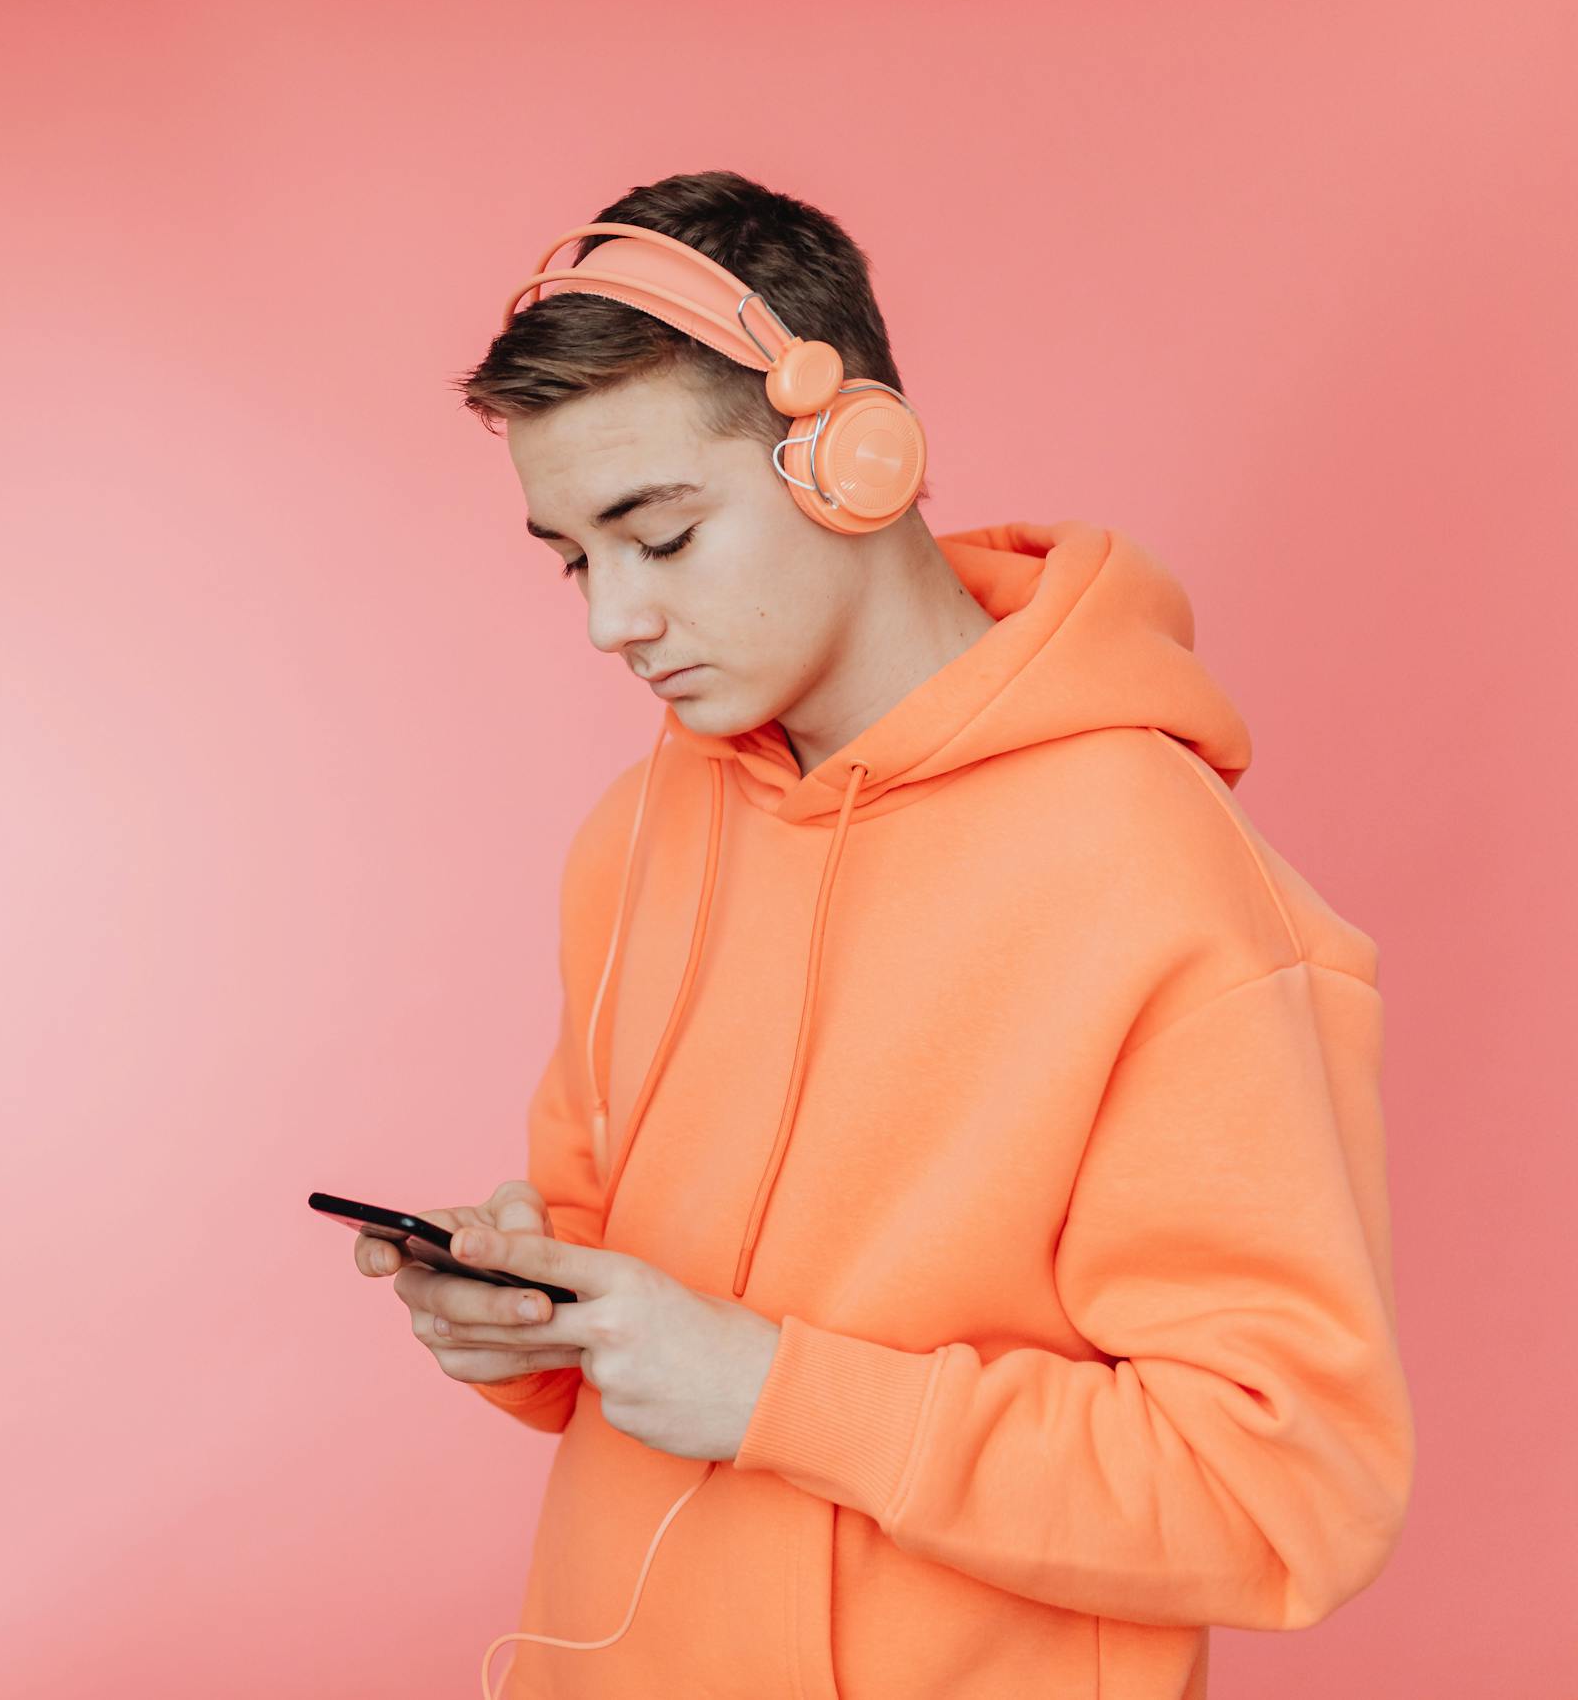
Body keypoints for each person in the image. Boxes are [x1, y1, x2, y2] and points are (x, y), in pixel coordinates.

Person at [350, 171, 1413, 1699]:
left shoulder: (1160, 882)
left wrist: (777, 1392)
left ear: (855, 461)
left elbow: (1286, 1485)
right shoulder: (637, 836)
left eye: (661, 534)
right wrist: (528, 1316)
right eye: (574, 556)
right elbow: (629, 1282)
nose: (610, 623)